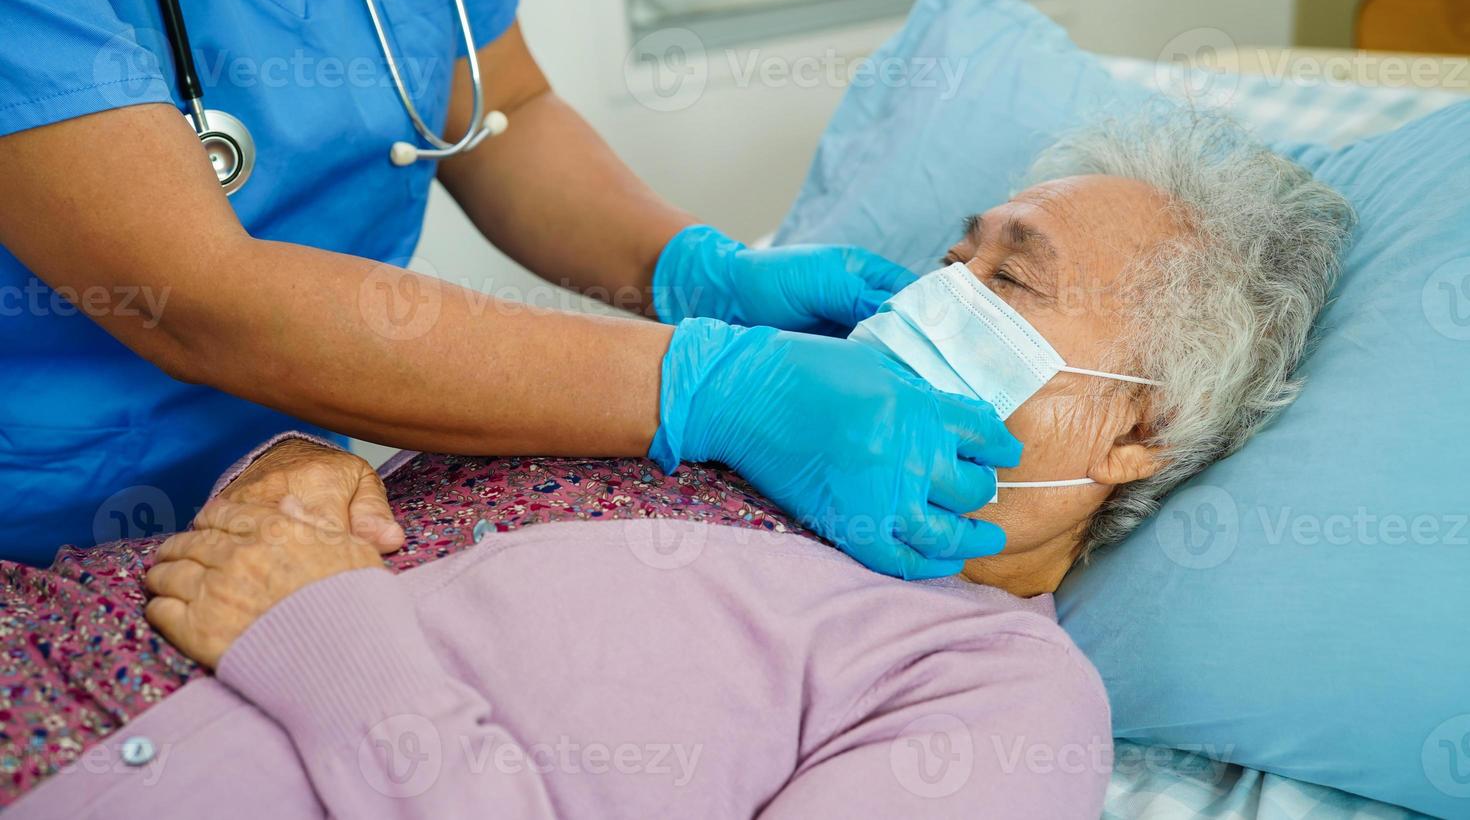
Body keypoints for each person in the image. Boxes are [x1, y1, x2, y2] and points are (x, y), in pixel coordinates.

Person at [2, 113, 1354, 817]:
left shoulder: (997, 696)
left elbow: (331, 616)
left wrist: (331, 644)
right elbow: (353, 434)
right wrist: (303, 457)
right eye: (955, 252)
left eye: (1012, 278)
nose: (942, 286)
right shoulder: (711, 415)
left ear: (1138, 430)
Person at [0, 0, 1015, 575]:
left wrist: (689, 268)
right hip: (36, 522)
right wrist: (706, 383)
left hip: (306, 487)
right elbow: (194, 294)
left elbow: (503, 111)